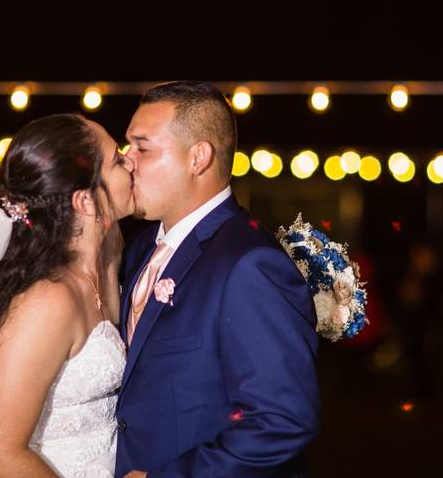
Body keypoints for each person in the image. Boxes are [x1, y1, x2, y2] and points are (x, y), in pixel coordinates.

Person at [117, 81, 320, 477]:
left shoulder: (250, 263)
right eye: (127, 148)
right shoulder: (141, 249)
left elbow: (282, 421)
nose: (127, 161)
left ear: (198, 158)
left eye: (142, 148)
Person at [0, 113, 136, 477]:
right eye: (117, 159)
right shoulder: (48, 302)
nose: (131, 161)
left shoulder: (109, 262)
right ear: (85, 201)